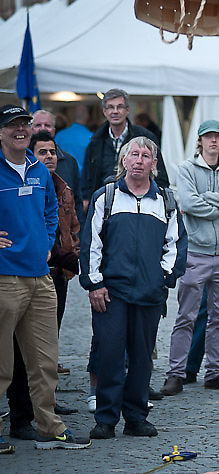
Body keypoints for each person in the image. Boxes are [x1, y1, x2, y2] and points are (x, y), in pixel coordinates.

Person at [80, 135, 186, 439]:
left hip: (149, 293)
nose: (139, 160)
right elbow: (91, 244)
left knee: (141, 359)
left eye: (145, 156)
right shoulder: (106, 197)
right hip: (111, 293)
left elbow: (176, 243)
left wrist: (164, 278)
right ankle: (106, 419)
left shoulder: (165, 200)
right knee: (110, 356)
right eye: (133, 154)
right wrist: (94, 283)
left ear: (154, 164)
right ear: (123, 161)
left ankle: (137, 417)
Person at [0, 105, 91, 453]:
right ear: (1, 133)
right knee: (3, 364)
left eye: (24, 124)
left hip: (41, 277)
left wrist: (43, 239)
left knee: (44, 361)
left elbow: (51, 209)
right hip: (5, 276)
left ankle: (50, 428)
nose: (21, 130)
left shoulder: (39, 170)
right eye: (13, 126)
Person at [161, 121, 219, 397]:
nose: (213, 141)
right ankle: (176, 373)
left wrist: (206, 199)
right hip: (196, 252)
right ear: (199, 141)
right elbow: (187, 203)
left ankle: (214, 371)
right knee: (186, 316)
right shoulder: (186, 169)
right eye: (208, 137)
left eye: (218, 137)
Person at [81, 88, 169, 213]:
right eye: (111, 107)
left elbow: (160, 175)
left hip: (140, 205)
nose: (115, 111)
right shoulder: (95, 141)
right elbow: (87, 177)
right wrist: (86, 199)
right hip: (105, 206)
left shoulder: (146, 137)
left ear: (127, 110)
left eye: (120, 107)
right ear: (104, 111)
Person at [32, 110, 82, 215]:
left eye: (47, 125)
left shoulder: (69, 161)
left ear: (54, 130)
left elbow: (77, 203)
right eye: (38, 125)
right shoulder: (22, 161)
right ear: (30, 129)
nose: (43, 129)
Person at [55, 105, 93, 174]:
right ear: (88, 117)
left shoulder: (60, 135)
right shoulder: (91, 137)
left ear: (73, 117)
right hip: (82, 178)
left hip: (61, 176)